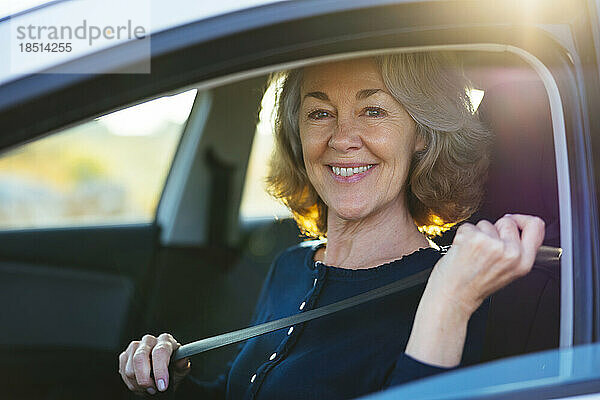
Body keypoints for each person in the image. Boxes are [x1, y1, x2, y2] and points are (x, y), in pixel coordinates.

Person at [118, 52, 545, 399]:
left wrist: (449, 301)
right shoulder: (290, 265)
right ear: (296, 132)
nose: (342, 138)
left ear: (421, 133)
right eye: (320, 113)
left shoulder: (455, 290)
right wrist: (171, 384)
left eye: (373, 110)